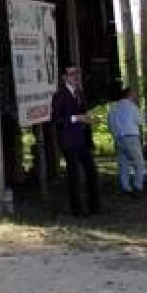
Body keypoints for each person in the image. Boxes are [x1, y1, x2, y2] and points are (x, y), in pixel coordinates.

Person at [52, 66, 100, 216]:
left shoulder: (79, 93)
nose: (76, 77)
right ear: (64, 77)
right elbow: (56, 119)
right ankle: (77, 209)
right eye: (72, 74)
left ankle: (94, 207)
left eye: (77, 73)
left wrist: (88, 117)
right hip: (69, 140)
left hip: (82, 139)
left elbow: (83, 112)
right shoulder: (60, 95)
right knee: (74, 175)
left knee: (91, 171)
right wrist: (76, 118)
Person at [107, 86, 145, 196]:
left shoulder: (113, 107)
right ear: (129, 95)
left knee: (123, 164)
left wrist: (115, 134)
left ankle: (125, 187)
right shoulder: (132, 107)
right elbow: (140, 121)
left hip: (118, 138)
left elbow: (110, 123)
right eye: (135, 93)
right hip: (131, 137)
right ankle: (138, 186)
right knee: (139, 163)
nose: (136, 96)